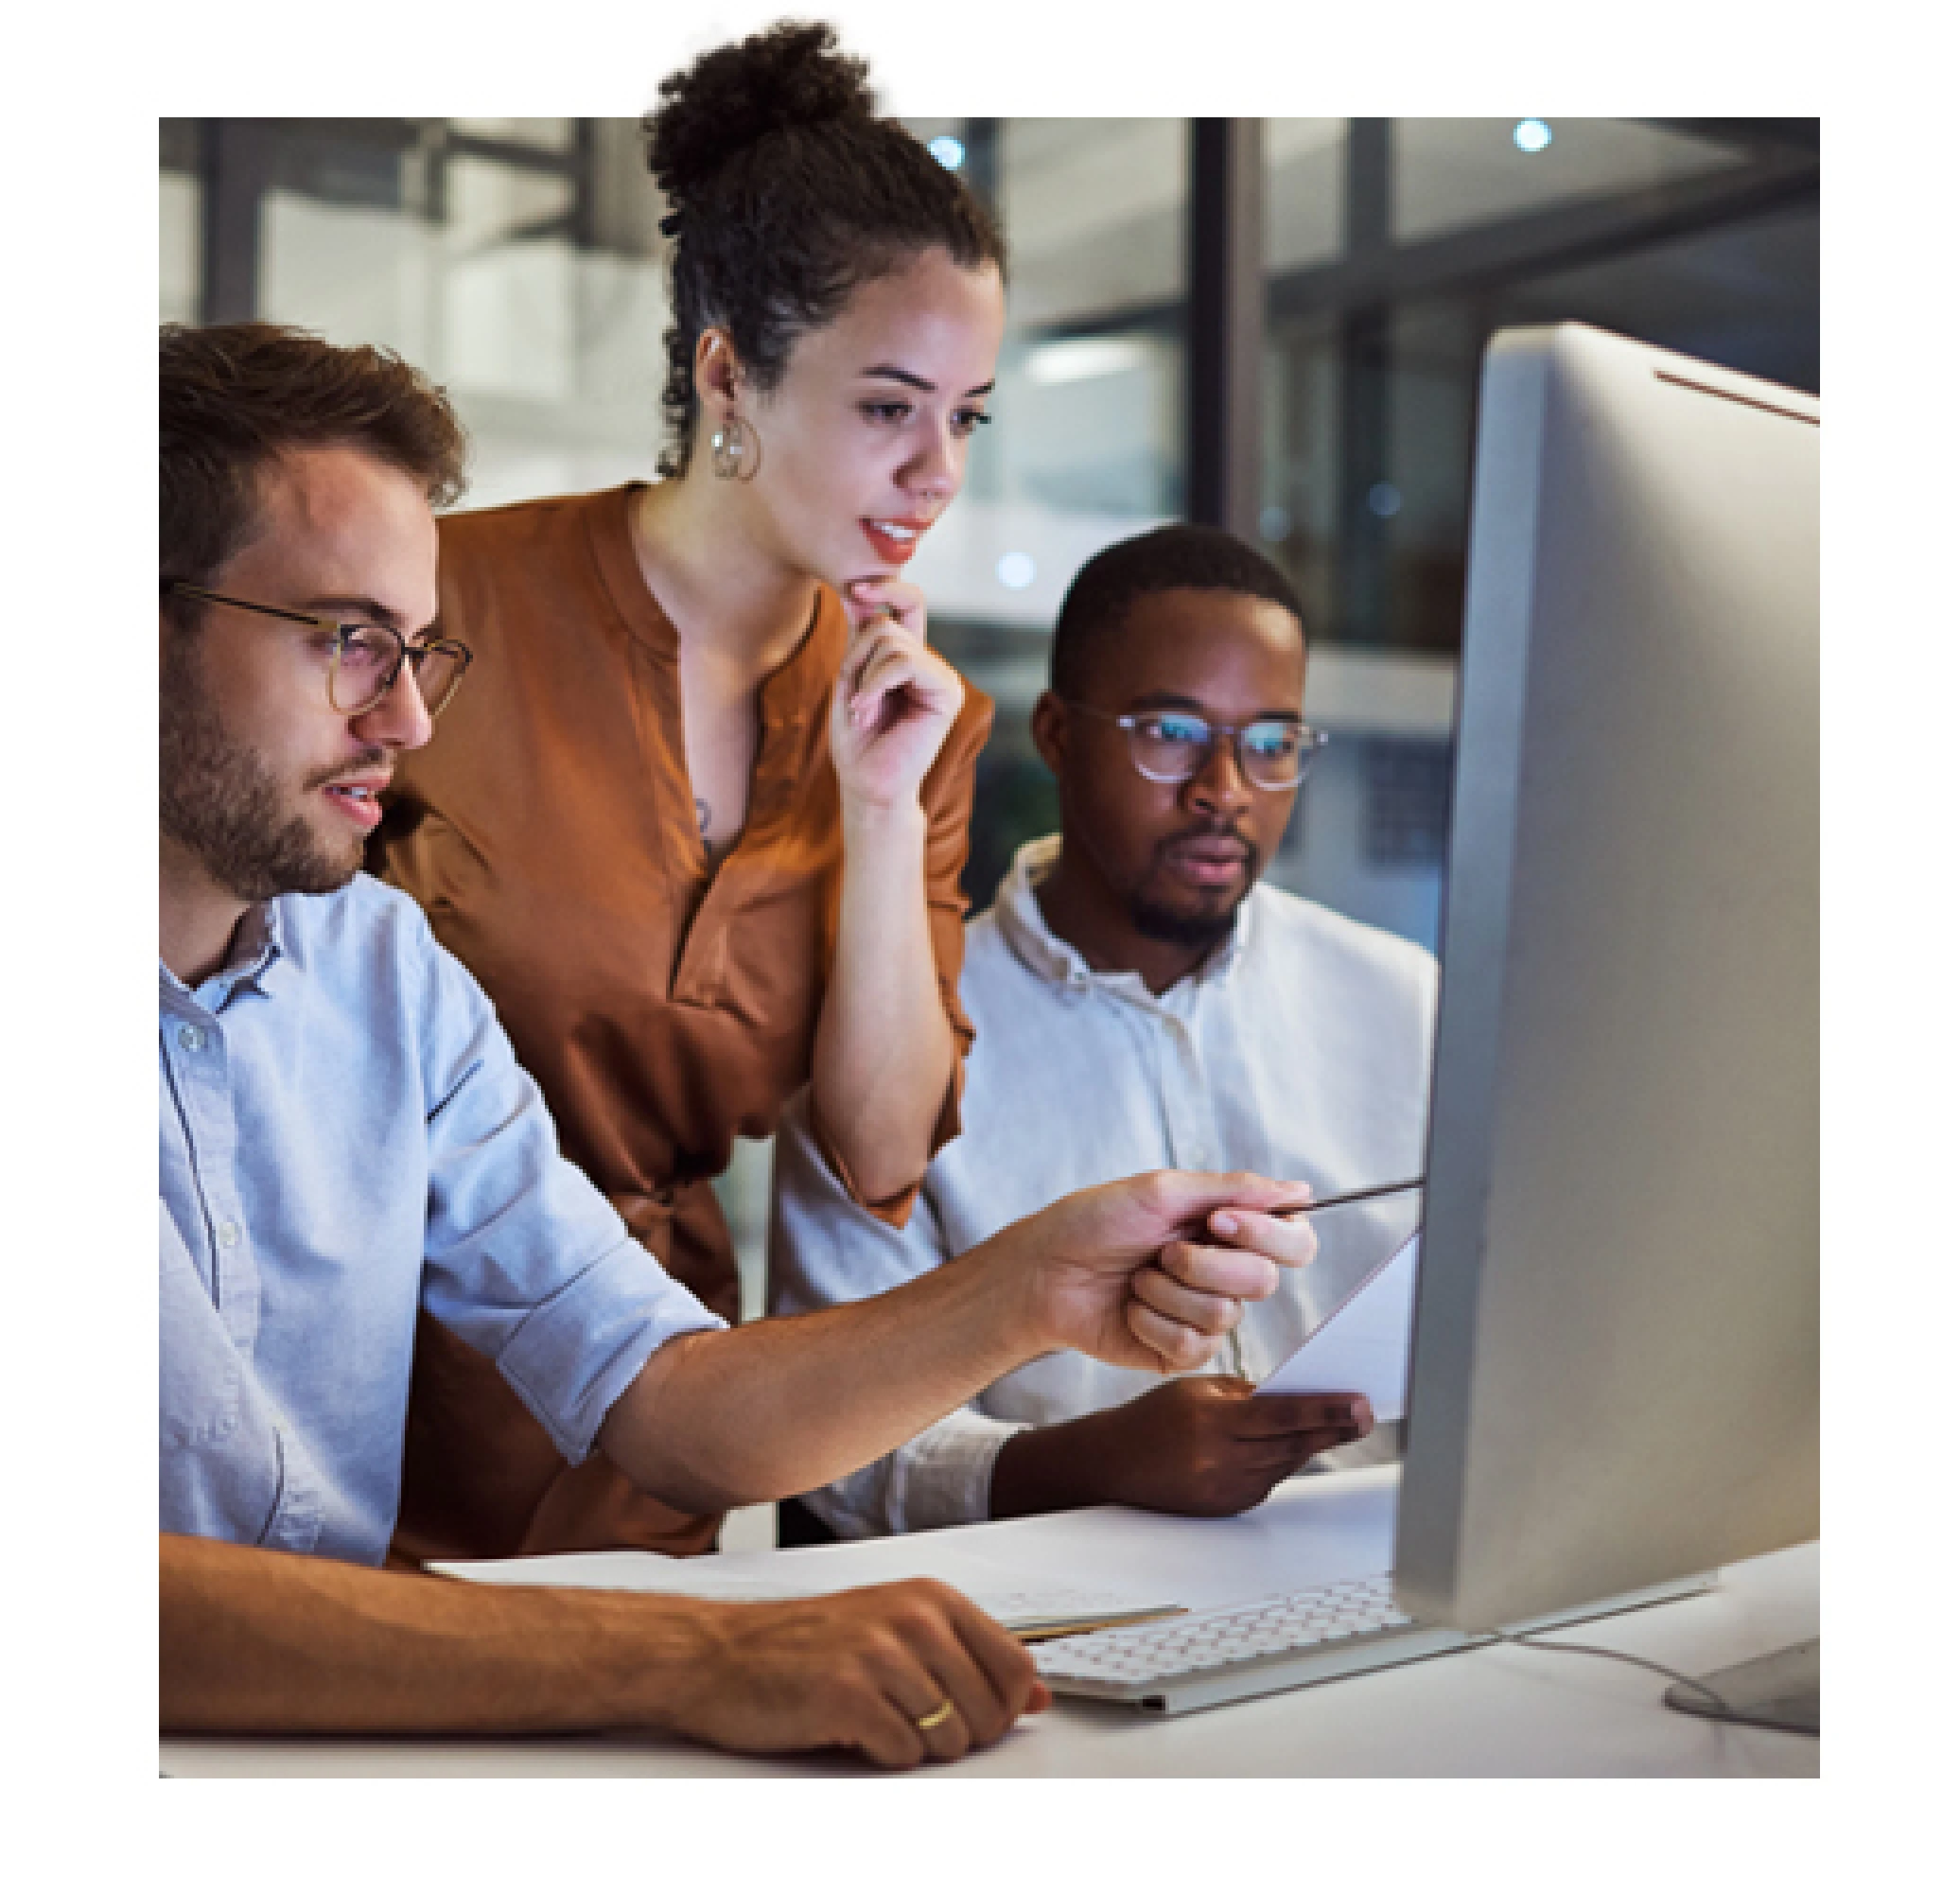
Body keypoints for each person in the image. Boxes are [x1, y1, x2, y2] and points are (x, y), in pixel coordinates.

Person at [158, 321, 1323, 1764]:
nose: (404, 718)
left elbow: (665, 1396)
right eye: (345, 641)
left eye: (415, 651)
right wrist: (694, 1648)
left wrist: (1033, 1287)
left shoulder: (384, 970)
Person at [367, 20, 1010, 1564]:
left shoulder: (917, 722)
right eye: (887, 406)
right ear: (728, 370)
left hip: (662, 1423)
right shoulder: (444, 595)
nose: (937, 475)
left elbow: (874, 1153)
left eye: (966, 417)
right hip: (364, 1393)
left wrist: (872, 801)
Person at [770, 524, 1439, 1538]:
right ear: (1055, 734)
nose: (1224, 788)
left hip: (1382, 1569)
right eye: (1170, 732)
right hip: (1055, 1612)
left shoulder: (1401, 1000)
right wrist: (1088, 1462)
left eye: (1269, 743)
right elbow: (826, 1448)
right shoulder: (892, 1040)